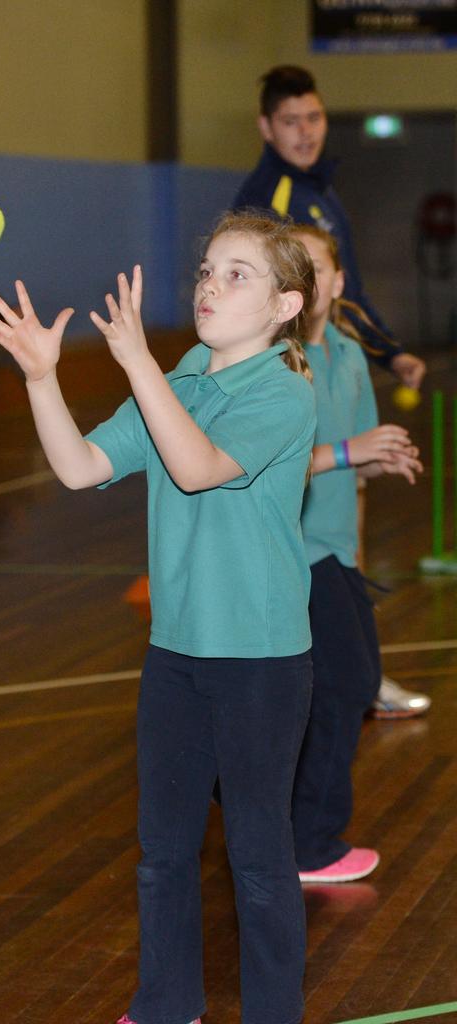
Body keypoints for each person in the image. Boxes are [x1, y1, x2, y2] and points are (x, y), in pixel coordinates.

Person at [0, 211, 317, 1024]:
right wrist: (40, 378)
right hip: (176, 653)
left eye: (237, 273)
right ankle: (167, 1004)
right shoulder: (184, 379)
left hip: (261, 660)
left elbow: (199, 469)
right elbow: (79, 466)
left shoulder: (284, 391)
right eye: (207, 269)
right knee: (163, 853)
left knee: (259, 858)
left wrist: (139, 368)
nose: (211, 284)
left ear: (284, 306)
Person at [234, 64, 430, 720]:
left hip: (335, 352)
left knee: (350, 493)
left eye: (313, 118)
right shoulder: (271, 197)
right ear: (266, 127)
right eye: (290, 121)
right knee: (297, 507)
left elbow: (350, 289)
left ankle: (354, 662)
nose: (305, 131)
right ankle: (311, 671)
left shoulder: (323, 192)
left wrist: (390, 351)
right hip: (291, 364)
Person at [291, 224, 423, 883]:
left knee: (343, 684)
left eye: (316, 268)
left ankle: (260, 807)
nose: (306, 279)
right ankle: (309, 843)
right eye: (294, 267)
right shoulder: (278, 361)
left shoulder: (345, 353)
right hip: (290, 553)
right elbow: (269, 465)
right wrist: (353, 453)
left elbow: (356, 462)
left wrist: (380, 459)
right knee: (345, 684)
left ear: (340, 282)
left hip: (336, 554)